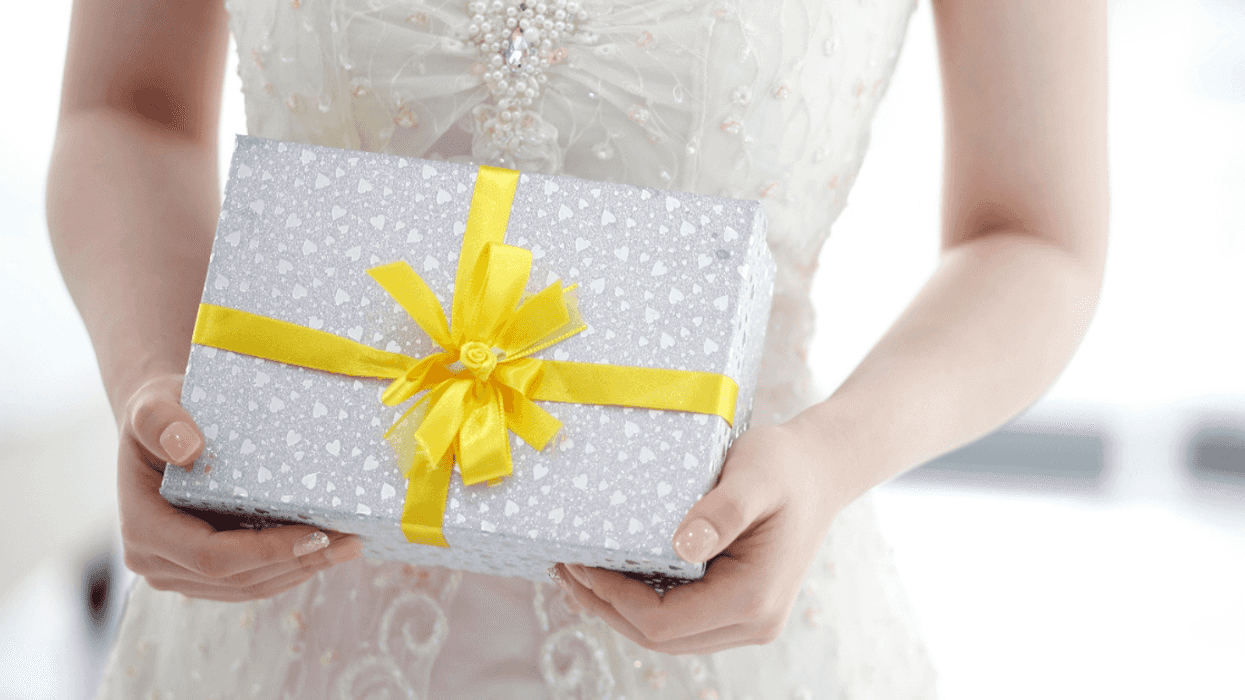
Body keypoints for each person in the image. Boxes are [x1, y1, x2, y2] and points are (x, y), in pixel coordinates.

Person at [48, 0, 1106, 696]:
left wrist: (829, 459)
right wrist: (157, 374)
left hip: (738, 623)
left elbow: (1033, 237)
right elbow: (124, 109)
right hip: (267, 630)